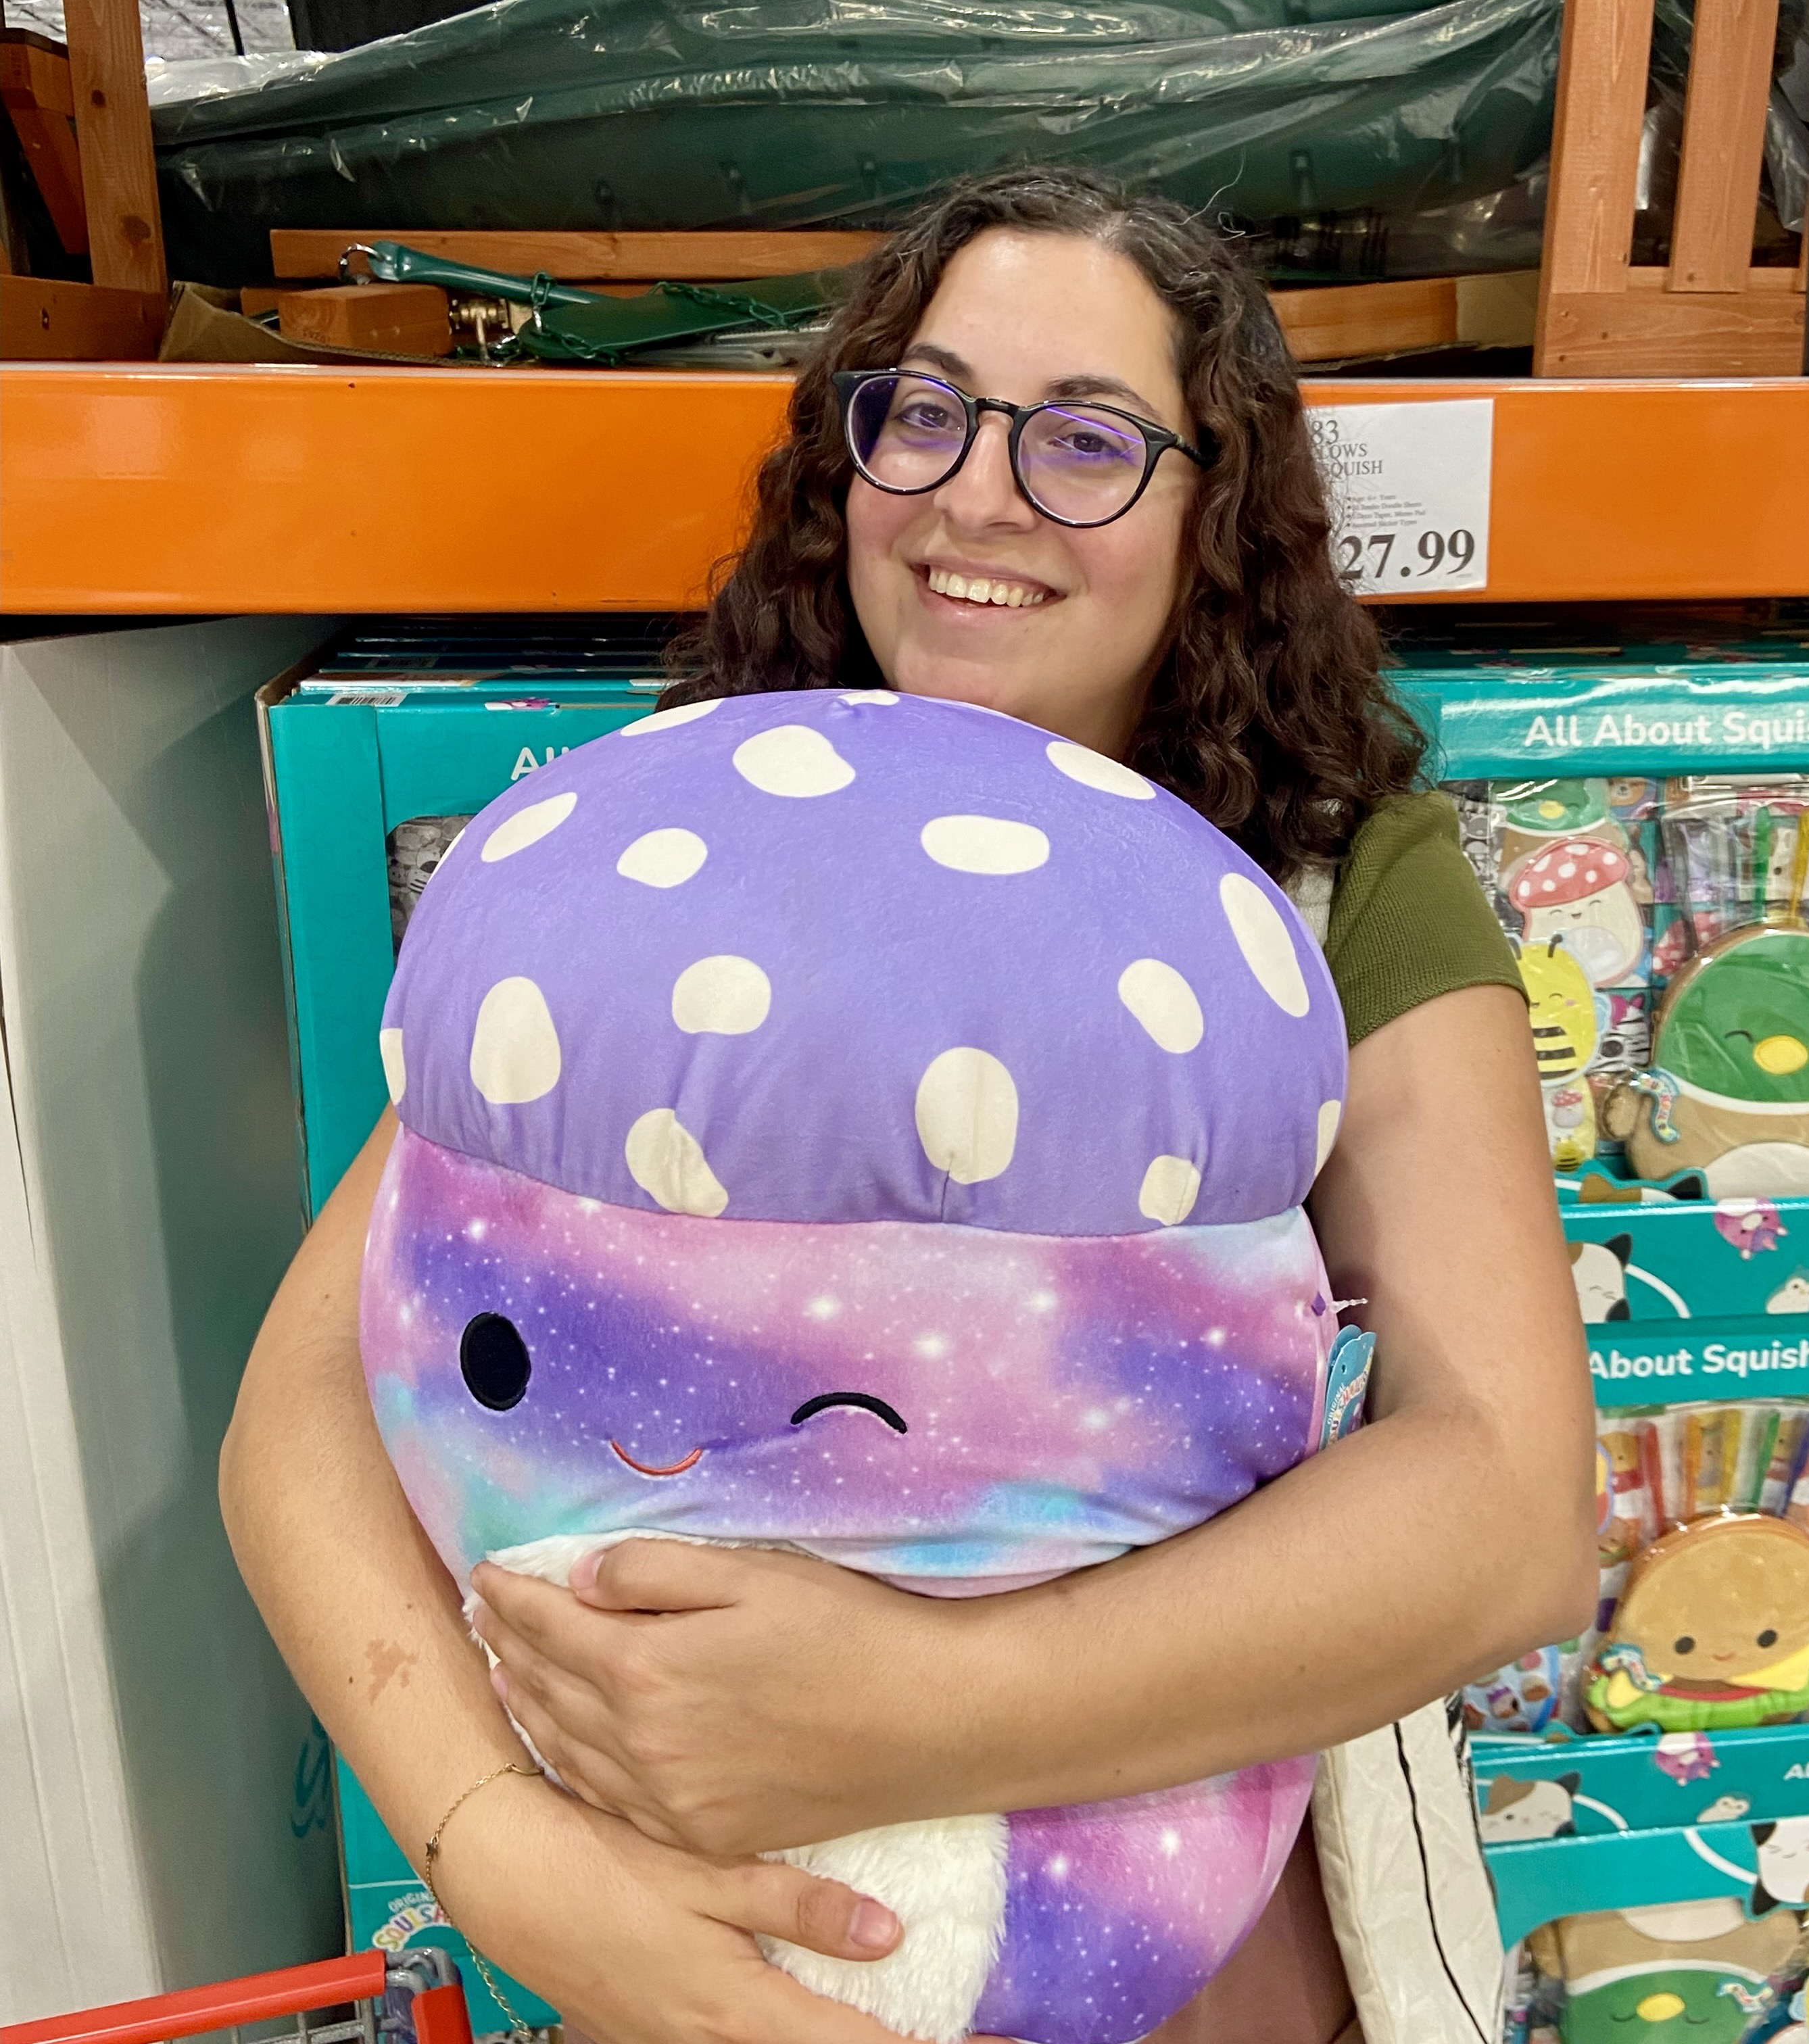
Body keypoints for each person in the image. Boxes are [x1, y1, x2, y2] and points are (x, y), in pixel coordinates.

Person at [222, 166, 1595, 2044]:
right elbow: (303, 1408)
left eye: (1089, 440)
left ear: (1221, 512)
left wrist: (929, 1704)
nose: (977, 491)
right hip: (683, 1924)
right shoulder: (669, 845)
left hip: (1177, 1936)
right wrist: (499, 1853)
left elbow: (1509, 1500)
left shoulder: (1335, 876)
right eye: (925, 410)